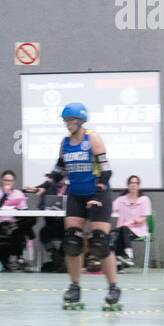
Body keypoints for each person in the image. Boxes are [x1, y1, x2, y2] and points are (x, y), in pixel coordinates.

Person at [29, 104, 121, 310]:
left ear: (81, 121)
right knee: (72, 241)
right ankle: (74, 286)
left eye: (72, 120)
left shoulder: (92, 139)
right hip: (76, 196)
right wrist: (43, 186)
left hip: (99, 194)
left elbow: (106, 172)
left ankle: (113, 287)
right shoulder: (65, 143)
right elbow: (59, 170)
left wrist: (97, 195)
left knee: (99, 242)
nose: (68, 124)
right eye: (66, 121)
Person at [0, 170, 30, 271]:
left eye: (10, 181)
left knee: (29, 221)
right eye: (5, 180)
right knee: (18, 230)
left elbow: (25, 211)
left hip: (13, 222)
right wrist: (5, 194)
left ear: (14, 182)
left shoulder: (18, 193)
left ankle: (16, 258)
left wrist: (17, 208)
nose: (8, 183)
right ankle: (18, 258)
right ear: (1, 181)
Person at [111, 175, 153, 269]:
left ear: (139, 186)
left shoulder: (144, 199)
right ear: (128, 185)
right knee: (115, 234)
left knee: (123, 231)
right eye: (131, 183)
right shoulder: (121, 199)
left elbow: (144, 218)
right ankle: (121, 262)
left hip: (138, 229)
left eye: (136, 183)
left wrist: (137, 221)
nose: (133, 185)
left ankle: (130, 256)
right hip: (123, 228)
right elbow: (110, 208)